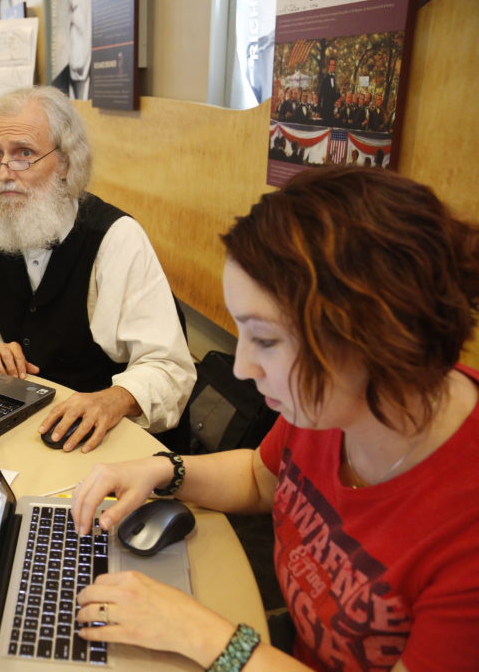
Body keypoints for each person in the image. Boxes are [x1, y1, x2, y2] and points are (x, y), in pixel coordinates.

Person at [71, 166, 479, 671]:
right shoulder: (333, 404)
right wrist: (164, 469)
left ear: (376, 339)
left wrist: (203, 635)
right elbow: (260, 477)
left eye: (264, 339)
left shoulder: (463, 532)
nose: (243, 367)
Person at [0, 86, 195, 452]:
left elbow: (169, 367)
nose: (4, 173)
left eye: (24, 154)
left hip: (102, 437)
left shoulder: (115, 237)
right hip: (21, 421)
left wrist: (115, 398)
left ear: (65, 163)